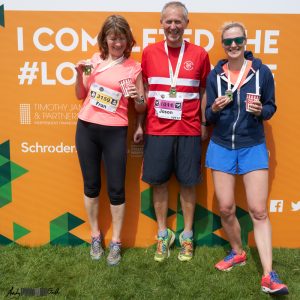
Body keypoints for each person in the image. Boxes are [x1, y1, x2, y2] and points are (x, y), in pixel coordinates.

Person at [205, 22, 288, 295]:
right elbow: (207, 115)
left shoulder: (261, 72)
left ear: (245, 41)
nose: (233, 45)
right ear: (223, 44)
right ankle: (238, 252)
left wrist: (260, 110)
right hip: (221, 145)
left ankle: (268, 274)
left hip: (252, 145)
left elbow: (271, 106)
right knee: (226, 207)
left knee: (258, 210)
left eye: (237, 40)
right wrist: (214, 109)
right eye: (227, 42)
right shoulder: (215, 75)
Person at [134, 1, 210, 262]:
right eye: (169, 21)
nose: (173, 26)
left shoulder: (200, 54)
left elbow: (203, 92)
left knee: (189, 184)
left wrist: (202, 123)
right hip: (157, 129)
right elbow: (142, 92)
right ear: (161, 23)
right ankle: (162, 234)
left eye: (178, 21)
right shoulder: (149, 52)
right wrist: (140, 125)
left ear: (187, 24)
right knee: (159, 183)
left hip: (188, 129)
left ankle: (187, 235)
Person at [74, 15, 146, 266]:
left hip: (115, 131)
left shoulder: (133, 67)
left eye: (121, 37)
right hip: (86, 128)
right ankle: (95, 236)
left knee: (116, 188)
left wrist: (137, 98)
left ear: (128, 40)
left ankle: (116, 241)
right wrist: (77, 74)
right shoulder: (94, 61)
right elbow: (80, 95)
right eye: (113, 37)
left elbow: (141, 106)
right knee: (91, 185)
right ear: (105, 38)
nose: (117, 42)